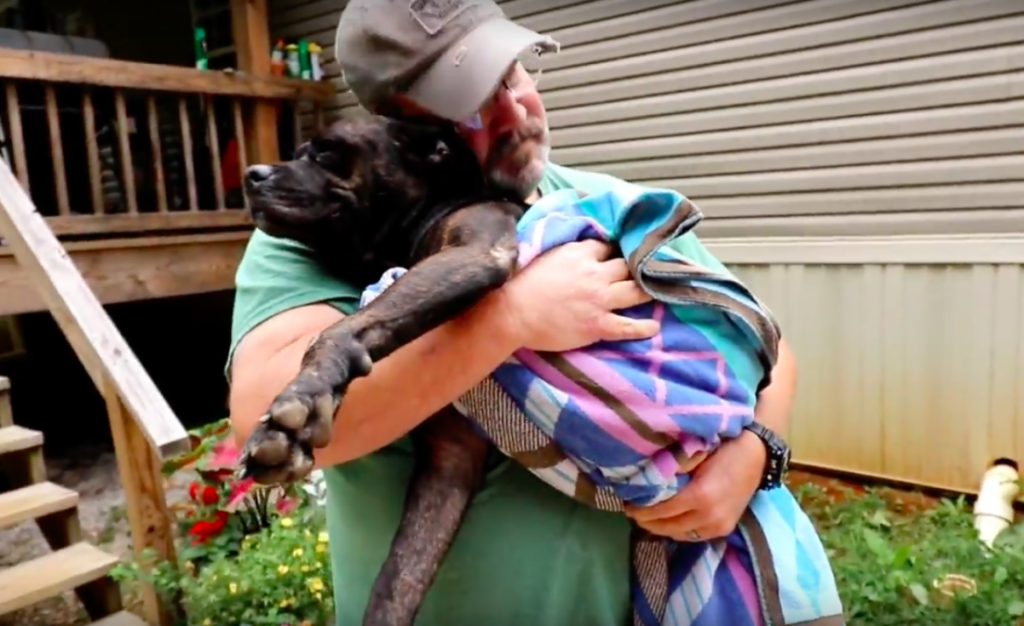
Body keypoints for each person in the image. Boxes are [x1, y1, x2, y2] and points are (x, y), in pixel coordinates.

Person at [226, 1, 800, 625]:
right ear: (409, 137)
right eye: (470, 104)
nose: (514, 111)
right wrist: (513, 317)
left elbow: (766, 344)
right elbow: (263, 413)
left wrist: (755, 452)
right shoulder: (325, 224)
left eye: (515, 74)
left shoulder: (610, 207)